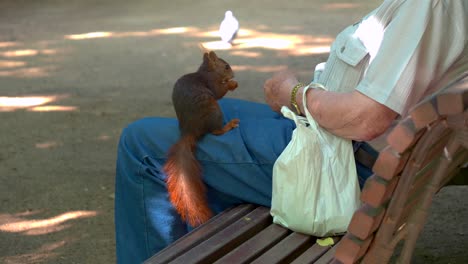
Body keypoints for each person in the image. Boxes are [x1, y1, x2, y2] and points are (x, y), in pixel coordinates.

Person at [114, 0, 467, 263]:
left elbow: (367, 118)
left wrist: (296, 94)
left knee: (141, 142)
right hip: (347, 146)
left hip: (340, 163)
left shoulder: (430, 7)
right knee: (223, 113)